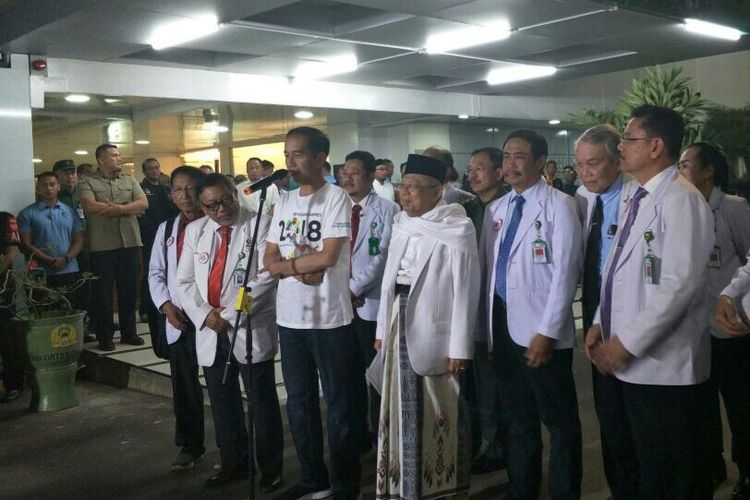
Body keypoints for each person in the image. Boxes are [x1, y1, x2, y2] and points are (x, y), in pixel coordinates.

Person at [585, 105, 714, 499]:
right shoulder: (637, 197)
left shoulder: (681, 201)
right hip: (634, 359)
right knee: (648, 464)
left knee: (671, 472)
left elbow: (679, 285)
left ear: (656, 146)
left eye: (629, 139)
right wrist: (599, 321)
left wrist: (626, 343)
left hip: (664, 365)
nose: (621, 146)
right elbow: (616, 270)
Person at [479, 129, 583, 500]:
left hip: (542, 334)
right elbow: (491, 274)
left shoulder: (560, 206)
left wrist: (548, 332)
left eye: (520, 157)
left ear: (541, 162)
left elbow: (566, 273)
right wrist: (488, 333)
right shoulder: (498, 209)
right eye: (506, 157)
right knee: (517, 421)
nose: (510, 164)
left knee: (559, 423)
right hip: (504, 328)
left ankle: (564, 492)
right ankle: (522, 490)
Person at [264, 126, 361, 500]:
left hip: (328, 320)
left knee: (339, 407)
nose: (290, 161)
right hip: (289, 319)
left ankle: (344, 484)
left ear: (321, 158)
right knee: (300, 404)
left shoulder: (336, 198)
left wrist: (291, 265)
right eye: (287, 154)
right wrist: (299, 267)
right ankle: (312, 477)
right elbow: (268, 259)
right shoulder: (283, 202)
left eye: (299, 154)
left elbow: (329, 256)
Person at [374, 153, 478, 499]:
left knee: (437, 411)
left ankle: (440, 488)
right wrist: (379, 332)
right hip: (396, 322)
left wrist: (460, 348)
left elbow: (466, 289)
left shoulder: (457, 226)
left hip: (435, 334)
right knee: (398, 409)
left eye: (414, 188)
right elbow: (389, 282)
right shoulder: (403, 222)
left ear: (437, 191)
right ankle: (402, 485)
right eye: (403, 186)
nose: (405, 194)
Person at [176, 173, 283, 491]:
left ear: (235, 195)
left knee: (261, 403)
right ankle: (234, 462)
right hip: (210, 329)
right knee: (223, 404)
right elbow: (184, 282)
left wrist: (231, 312)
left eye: (225, 201)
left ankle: (270, 468)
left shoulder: (260, 223)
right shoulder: (196, 230)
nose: (220, 209)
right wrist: (205, 315)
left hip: (247, 323)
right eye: (210, 205)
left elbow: (266, 277)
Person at [679, 142, 750, 498]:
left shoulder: (734, 208)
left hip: (732, 328)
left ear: (708, 172)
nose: (680, 171)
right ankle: (712, 465)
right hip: (695, 330)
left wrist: (736, 299)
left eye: (687, 164)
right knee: (702, 405)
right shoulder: (682, 210)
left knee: (740, 406)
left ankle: (747, 471)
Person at [574, 124, 638, 499]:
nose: (586, 172)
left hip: (630, 310)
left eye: (594, 163)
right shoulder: (582, 199)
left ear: (618, 159)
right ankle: (621, 487)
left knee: (635, 413)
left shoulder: (636, 198)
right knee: (607, 411)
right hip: (594, 305)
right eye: (581, 165)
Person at [148, 166, 208, 471]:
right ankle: (190, 444)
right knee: (184, 386)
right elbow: (156, 272)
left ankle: (233, 445)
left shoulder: (216, 224)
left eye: (191, 189)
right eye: (179, 189)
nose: (185, 196)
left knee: (221, 386)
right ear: (171, 195)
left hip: (211, 319)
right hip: (179, 319)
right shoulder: (167, 229)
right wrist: (166, 306)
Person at [340, 150, 399, 452]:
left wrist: (353, 289)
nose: (347, 178)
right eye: (344, 172)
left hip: (371, 304)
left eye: (354, 172)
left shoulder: (388, 209)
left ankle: (381, 436)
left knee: (376, 375)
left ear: (369, 175)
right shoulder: (334, 208)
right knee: (347, 375)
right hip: (339, 307)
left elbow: (383, 256)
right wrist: (341, 292)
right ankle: (356, 433)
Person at [461, 147, 507, 474]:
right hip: (470, 303)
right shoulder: (466, 209)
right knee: (472, 384)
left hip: (499, 307)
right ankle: (476, 442)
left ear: (499, 171)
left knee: (494, 383)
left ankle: (499, 446)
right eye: (470, 169)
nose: (473, 174)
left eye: (480, 168)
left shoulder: (508, 206)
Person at [77, 143, 148, 351]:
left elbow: (143, 203)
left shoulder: (129, 179)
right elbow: (90, 205)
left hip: (130, 243)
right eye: (114, 155)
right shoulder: (86, 182)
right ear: (101, 160)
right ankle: (105, 336)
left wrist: (115, 209)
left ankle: (129, 333)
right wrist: (128, 209)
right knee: (103, 294)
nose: (119, 158)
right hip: (102, 246)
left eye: (119, 155)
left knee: (129, 290)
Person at [17, 172, 86, 315]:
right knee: (43, 314)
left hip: (69, 270)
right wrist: (49, 260)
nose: (49, 188)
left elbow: (79, 241)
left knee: (70, 312)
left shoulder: (71, 212)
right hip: (39, 273)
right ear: (38, 188)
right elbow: (25, 244)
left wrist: (66, 259)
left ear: (58, 187)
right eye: (44, 185)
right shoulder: (27, 213)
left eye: (52, 184)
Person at [139, 158, 178, 325]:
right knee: (151, 274)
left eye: (156, 167)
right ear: (144, 171)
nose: (154, 171)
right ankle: (146, 309)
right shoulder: (141, 190)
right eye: (150, 168)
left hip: (170, 236)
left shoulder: (167, 190)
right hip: (149, 237)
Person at [0, 212, 22, 402]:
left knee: (7, 339)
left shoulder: (6, 219)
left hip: (2, 289)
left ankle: (13, 385)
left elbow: (11, 253)